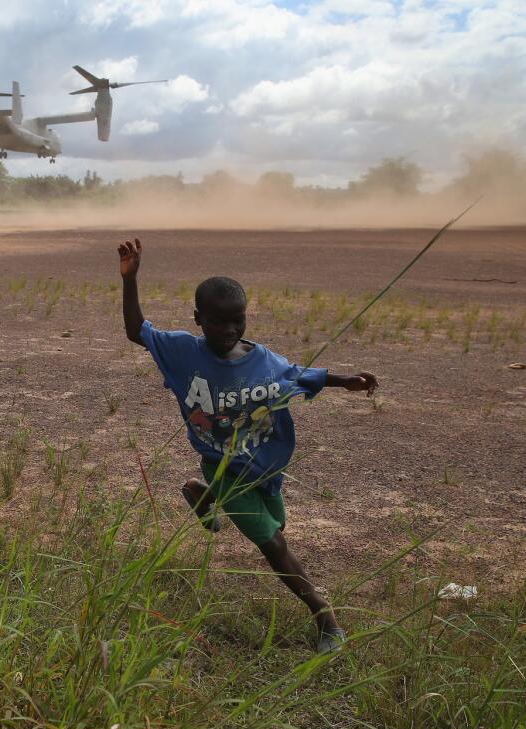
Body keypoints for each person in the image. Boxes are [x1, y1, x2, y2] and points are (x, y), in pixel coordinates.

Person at [116, 238, 377, 653]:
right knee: (274, 544)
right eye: (218, 322)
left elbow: (298, 374)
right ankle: (325, 618)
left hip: (263, 466)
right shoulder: (183, 351)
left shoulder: (262, 359)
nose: (230, 330)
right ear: (198, 318)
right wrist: (131, 279)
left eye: (238, 320)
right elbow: (136, 331)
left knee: (278, 524)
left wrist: (343, 380)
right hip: (222, 464)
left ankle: (205, 499)